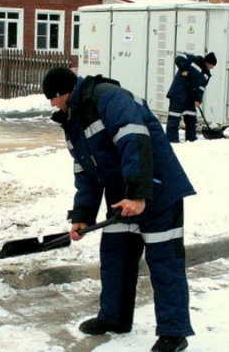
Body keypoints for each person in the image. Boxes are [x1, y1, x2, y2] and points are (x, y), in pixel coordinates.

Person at [42, 67, 195, 352]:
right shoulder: (73, 120)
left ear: (66, 91)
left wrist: (139, 194)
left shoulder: (110, 98)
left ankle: (174, 333)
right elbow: (86, 172)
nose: (52, 104)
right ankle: (114, 318)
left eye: (53, 97)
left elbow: (135, 140)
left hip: (157, 191)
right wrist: (82, 216)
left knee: (164, 262)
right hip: (121, 196)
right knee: (115, 255)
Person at [165, 52, 217, 143]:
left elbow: (201, 88)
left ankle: (192, 140)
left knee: (191, 120)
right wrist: (183, 68)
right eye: (211, 65)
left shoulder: (207, 75)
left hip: (191, 98)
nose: (211, 68)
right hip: (178, 94)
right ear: (207, 62)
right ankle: (172, 140)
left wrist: (198, 99)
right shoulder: (193, 59)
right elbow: (179, 58)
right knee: (174, 119)